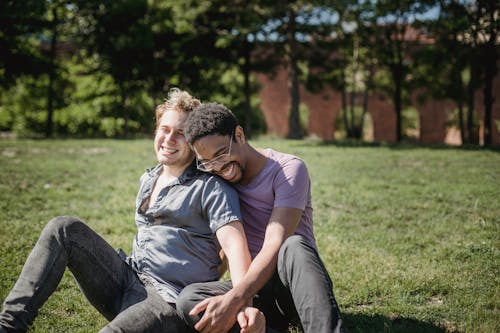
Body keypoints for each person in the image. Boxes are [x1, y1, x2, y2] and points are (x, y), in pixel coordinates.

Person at [0, 89, 264, 333]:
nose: (169, 139)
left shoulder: (211, 187)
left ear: (194, 143)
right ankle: (9, 325)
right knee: (64, 228)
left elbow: (235, 247)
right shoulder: (149, 178)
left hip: (168, 300)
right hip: (128, 280)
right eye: (164, 129)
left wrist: (243, 302)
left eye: (180, 133)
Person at [177, 102, 344, 333]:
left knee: (293, 245)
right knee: (190, 299)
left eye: (221, 154)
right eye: (207, 162)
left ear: (239, 134)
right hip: (255, 292)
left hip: (294, 286)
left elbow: (274, 243)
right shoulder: (218, 184)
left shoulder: (288, 170)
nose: (217, 167)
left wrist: (235, 298)